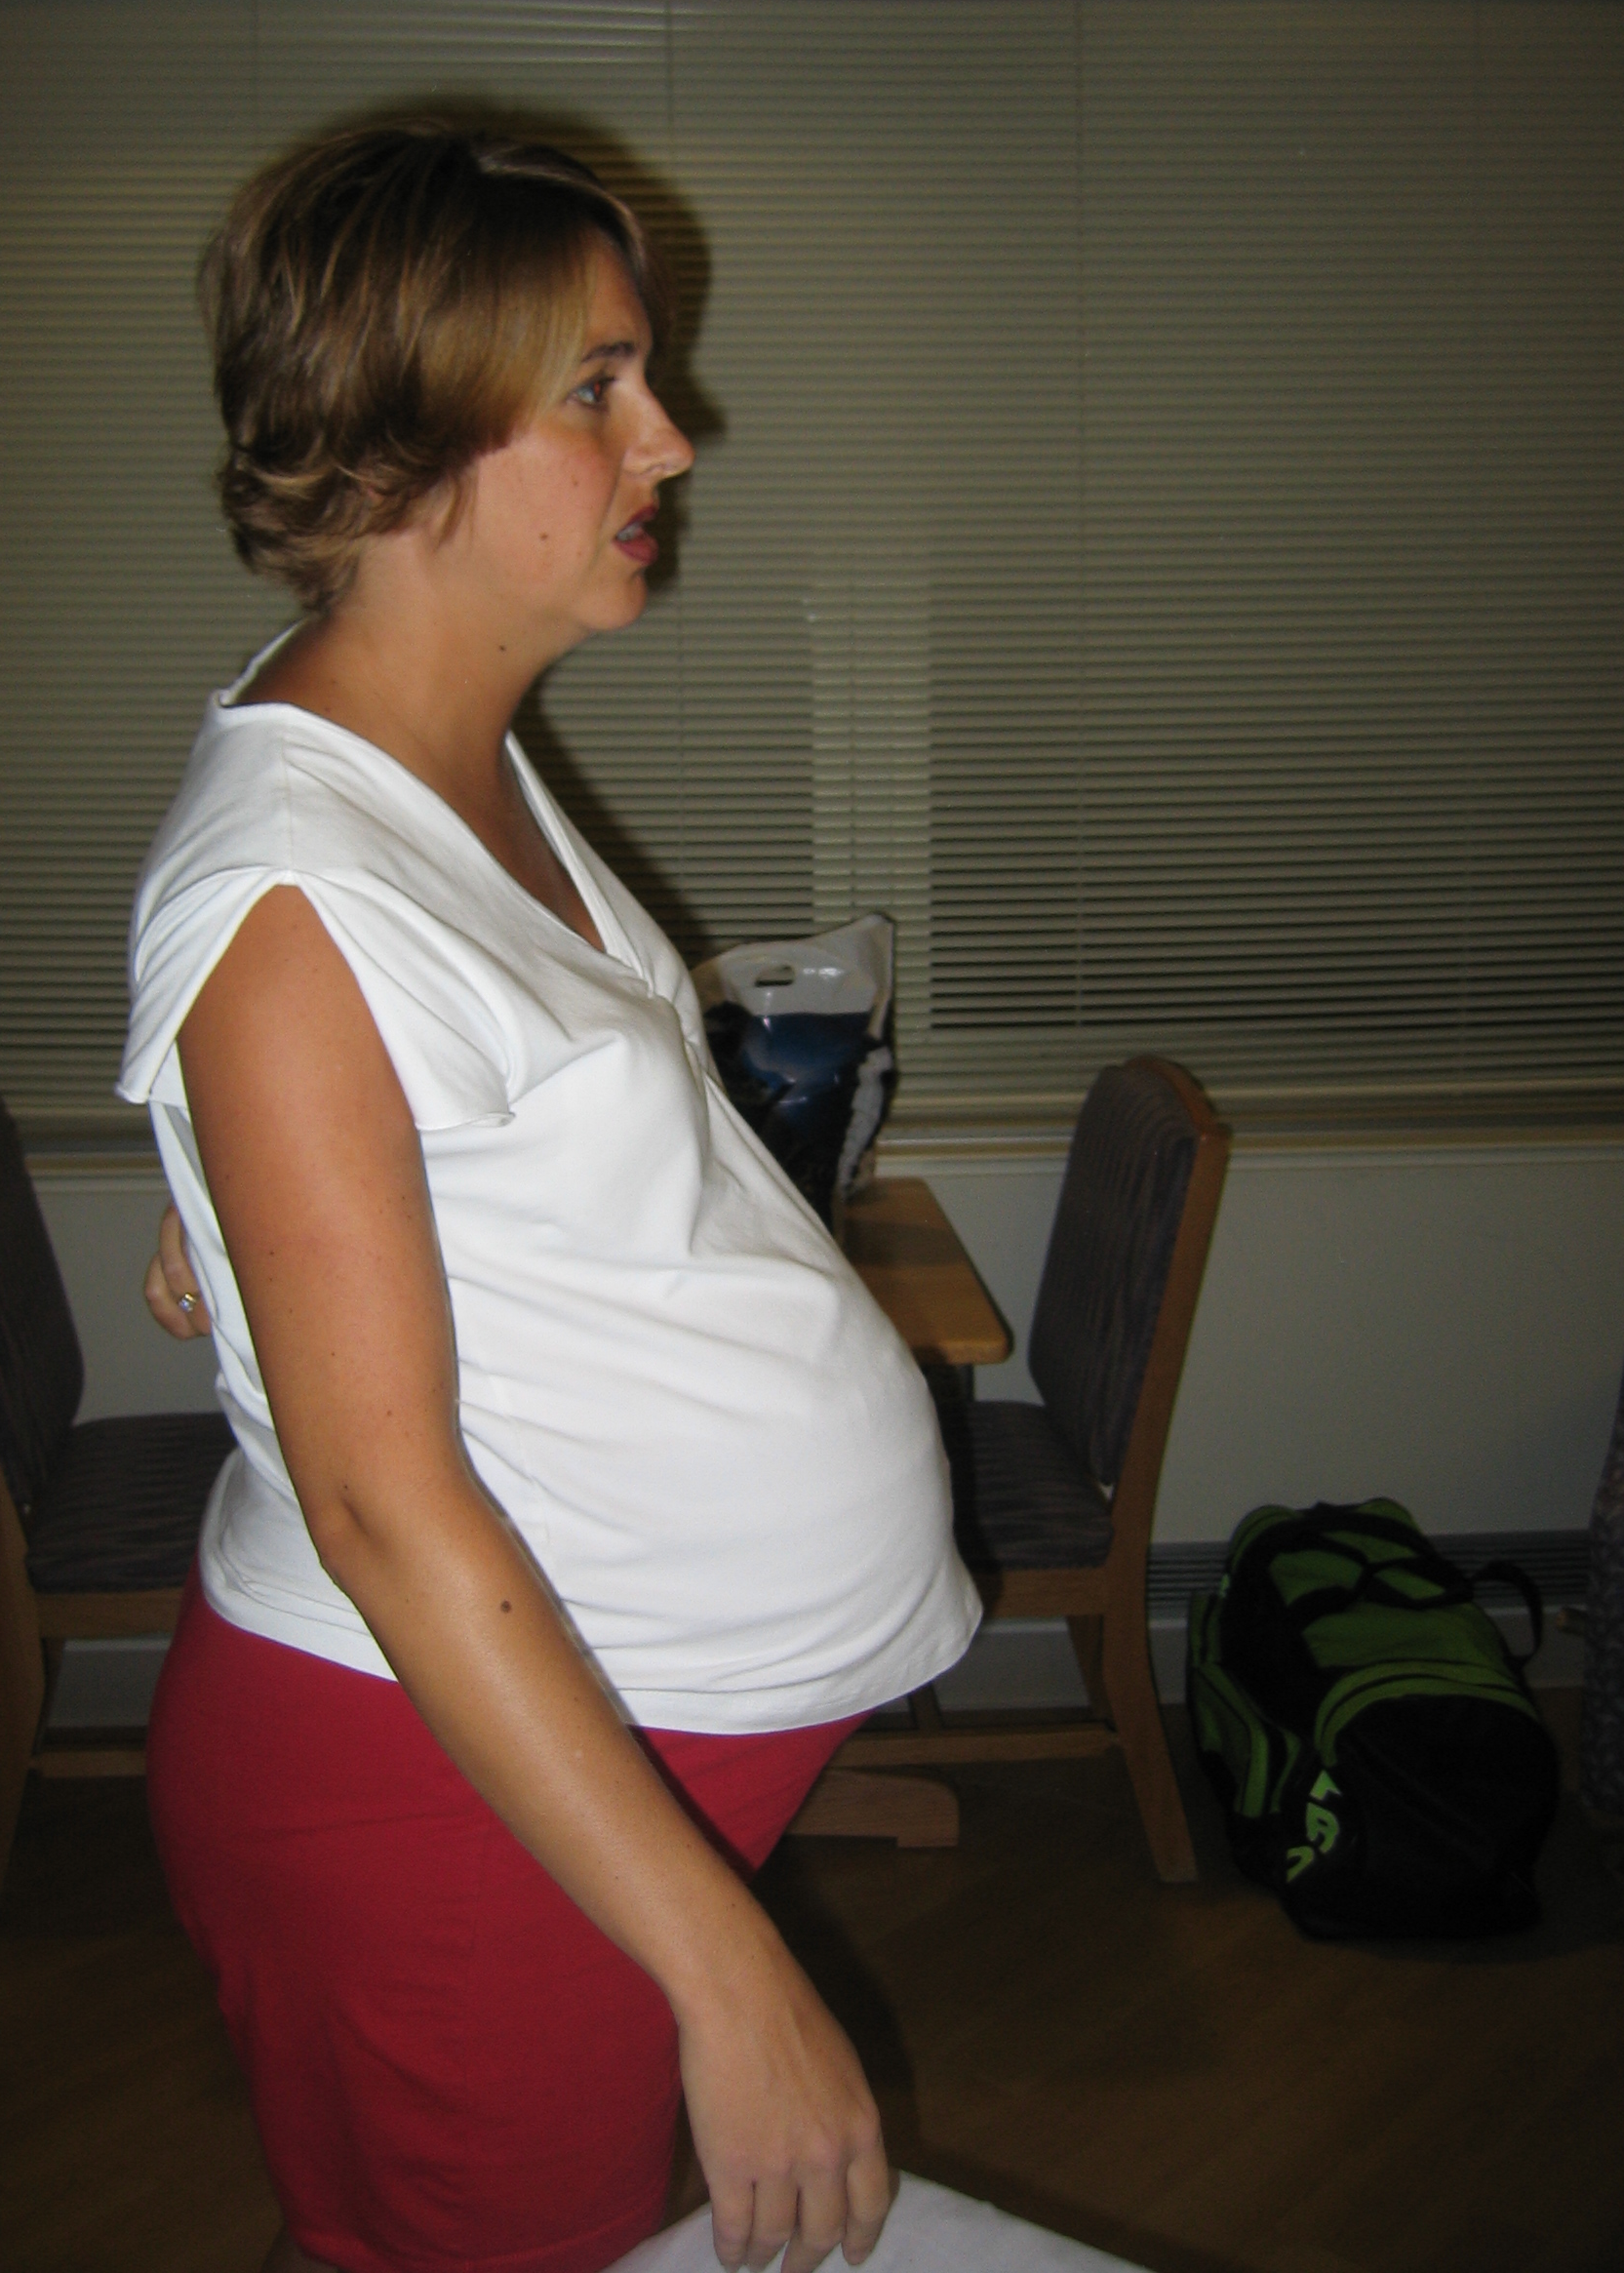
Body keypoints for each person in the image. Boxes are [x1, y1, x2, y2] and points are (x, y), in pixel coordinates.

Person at [120, 117, 980, 2273]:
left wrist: (240, 1203)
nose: (668, 439)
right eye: (596, 388)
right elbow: (382, 1507)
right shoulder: (300, 889)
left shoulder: (440, 761)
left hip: (588, 1731)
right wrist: (731, 1973)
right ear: (393, 444)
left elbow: (408, 1078)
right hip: (438, 1800)